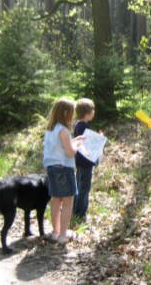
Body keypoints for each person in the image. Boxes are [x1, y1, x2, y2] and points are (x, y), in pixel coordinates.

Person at [43, 98, 84, 244]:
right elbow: (70, 152)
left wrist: (75, 140)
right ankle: (63, 235)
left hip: (52, 168)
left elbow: (59, 147)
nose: (73, 116)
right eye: (72, 113)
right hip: (64, 169)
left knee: (55, 199)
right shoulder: (64, 131)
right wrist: (78, 145)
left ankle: (55, 231)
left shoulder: (51, 129)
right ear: (66, 113)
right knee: (68, 201)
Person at [73, 98, 96, 220]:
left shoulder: (78, 125)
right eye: (93, 110)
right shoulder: (83, 126)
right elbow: (88, 142)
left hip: (80, 161)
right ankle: (81, 213)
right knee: (84, 188)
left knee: (79, 185)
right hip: (86, 161)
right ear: (88, 112)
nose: (94, 113)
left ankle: (75, 210)